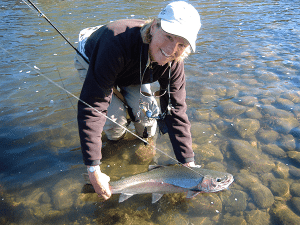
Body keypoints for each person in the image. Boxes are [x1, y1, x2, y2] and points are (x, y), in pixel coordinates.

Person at [75, 1, 201, 200]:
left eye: (181, 44)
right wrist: (93, 167)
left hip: (138, 67)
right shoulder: (114, 44)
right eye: (168, 36)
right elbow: (93, 105)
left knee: (147, 120)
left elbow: (176, 110)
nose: (171, 49)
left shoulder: (174, 61)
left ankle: (141, 135)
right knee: (115, 123)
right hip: (97, 56)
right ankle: (113, 144)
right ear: (153, 27)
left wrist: (188, 163)